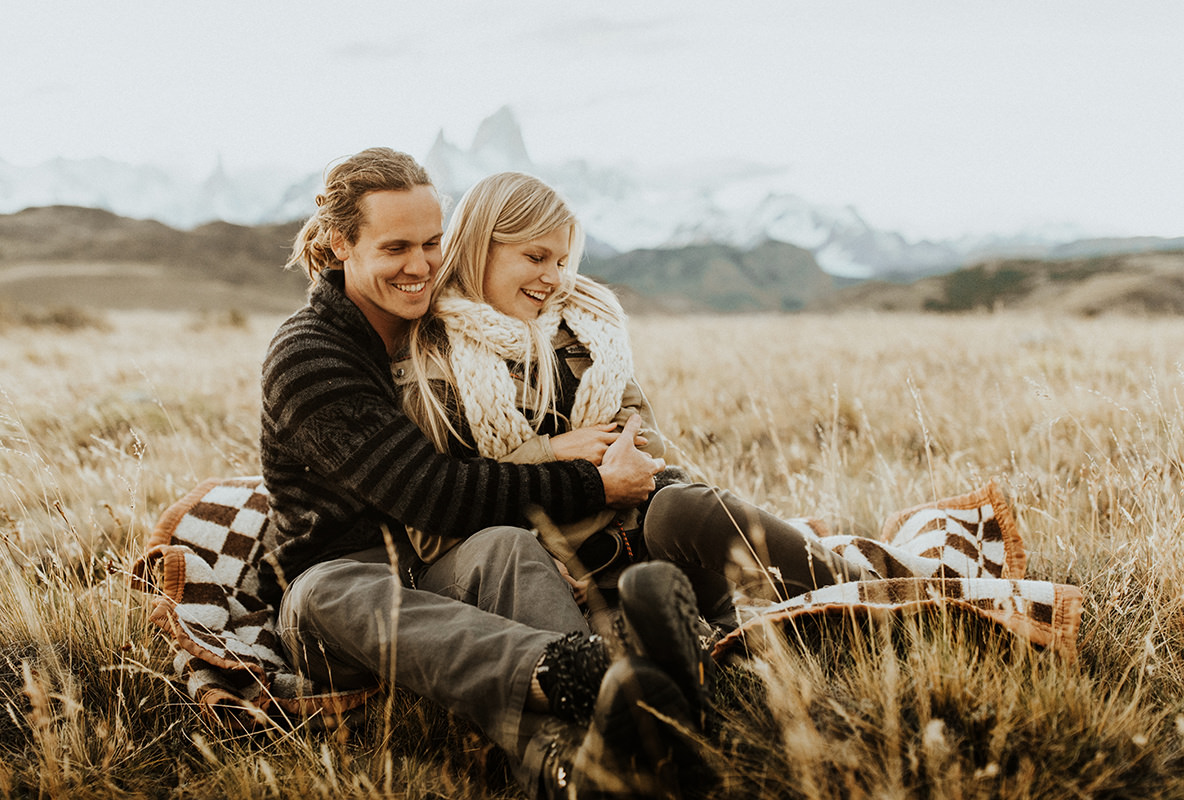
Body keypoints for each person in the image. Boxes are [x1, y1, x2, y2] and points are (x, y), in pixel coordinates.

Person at [258, 148, 712, 799]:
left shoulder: (442, 336)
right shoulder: (310, 354)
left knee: (504, 546)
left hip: (437, 567)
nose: (418, 266)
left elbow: (478, 484)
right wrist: (589, 481)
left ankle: (583, 762)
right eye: (394, 248)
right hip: (341, 599)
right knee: (331, 590)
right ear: (341, 244)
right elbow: (433, 491)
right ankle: (585, 669)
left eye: (432, 243)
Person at [396, 171, 873, 632]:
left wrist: (618, 472)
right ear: (482, 248)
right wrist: (559, 459)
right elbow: (435, 520)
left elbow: (645, 449)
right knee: (530, 563)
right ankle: (632, 661)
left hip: (633, 534)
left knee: (681, 505)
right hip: (551, 570)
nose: (553, 279)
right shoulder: (433, 360)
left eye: (561, 262)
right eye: (535, 256)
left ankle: (873, 594)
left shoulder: (587, 331)